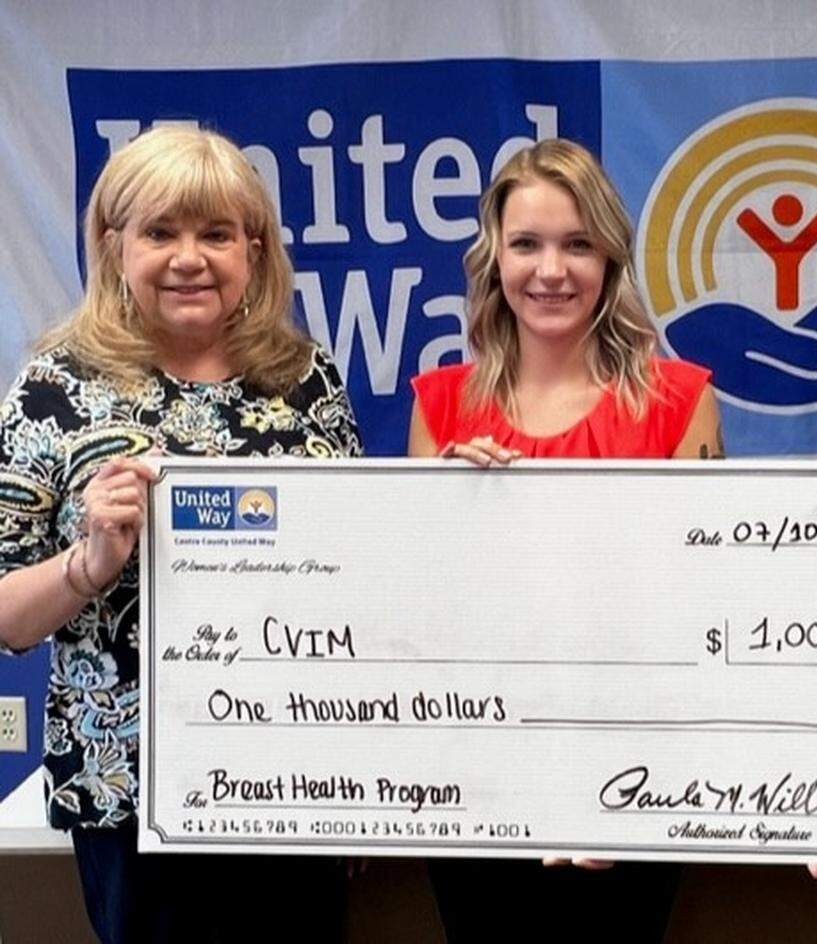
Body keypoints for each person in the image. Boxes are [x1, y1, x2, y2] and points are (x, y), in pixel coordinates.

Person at [0, 125, 362, 944]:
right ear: (112, 243)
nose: (189, 257)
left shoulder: (308, 382)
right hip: (136, 795)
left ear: (255, 250)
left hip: (295, 785)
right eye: (161, 231)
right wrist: (89, 564)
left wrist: (359, 774)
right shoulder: (55, 392)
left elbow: (357, 584)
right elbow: (5, 615)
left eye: (216, 234)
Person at [408, 138, 722, 940]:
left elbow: (698, 609)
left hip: (636, 765)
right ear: (495, 258)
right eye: (528, 244)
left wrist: (610, 782)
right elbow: (420, 611)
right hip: (478, 772)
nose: (552, 270)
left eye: (578, 244)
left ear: (610, 257)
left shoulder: (679, 398)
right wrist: (438, 510)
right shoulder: (441, 402)